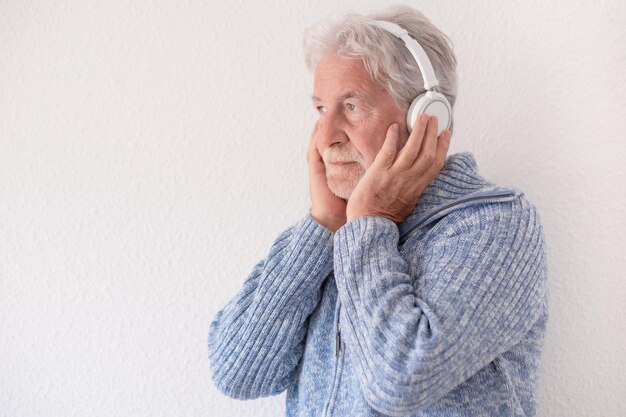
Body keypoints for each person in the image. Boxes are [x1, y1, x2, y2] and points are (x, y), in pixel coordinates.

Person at [208, 5, 548, 417]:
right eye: (320, 109)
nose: (326, 135)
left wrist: (370, 223)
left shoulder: (494, 225)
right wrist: (325, 225)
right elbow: (238, 372)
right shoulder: (333, 229)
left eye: (351, 106)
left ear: (426, 118)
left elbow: (399, 381)